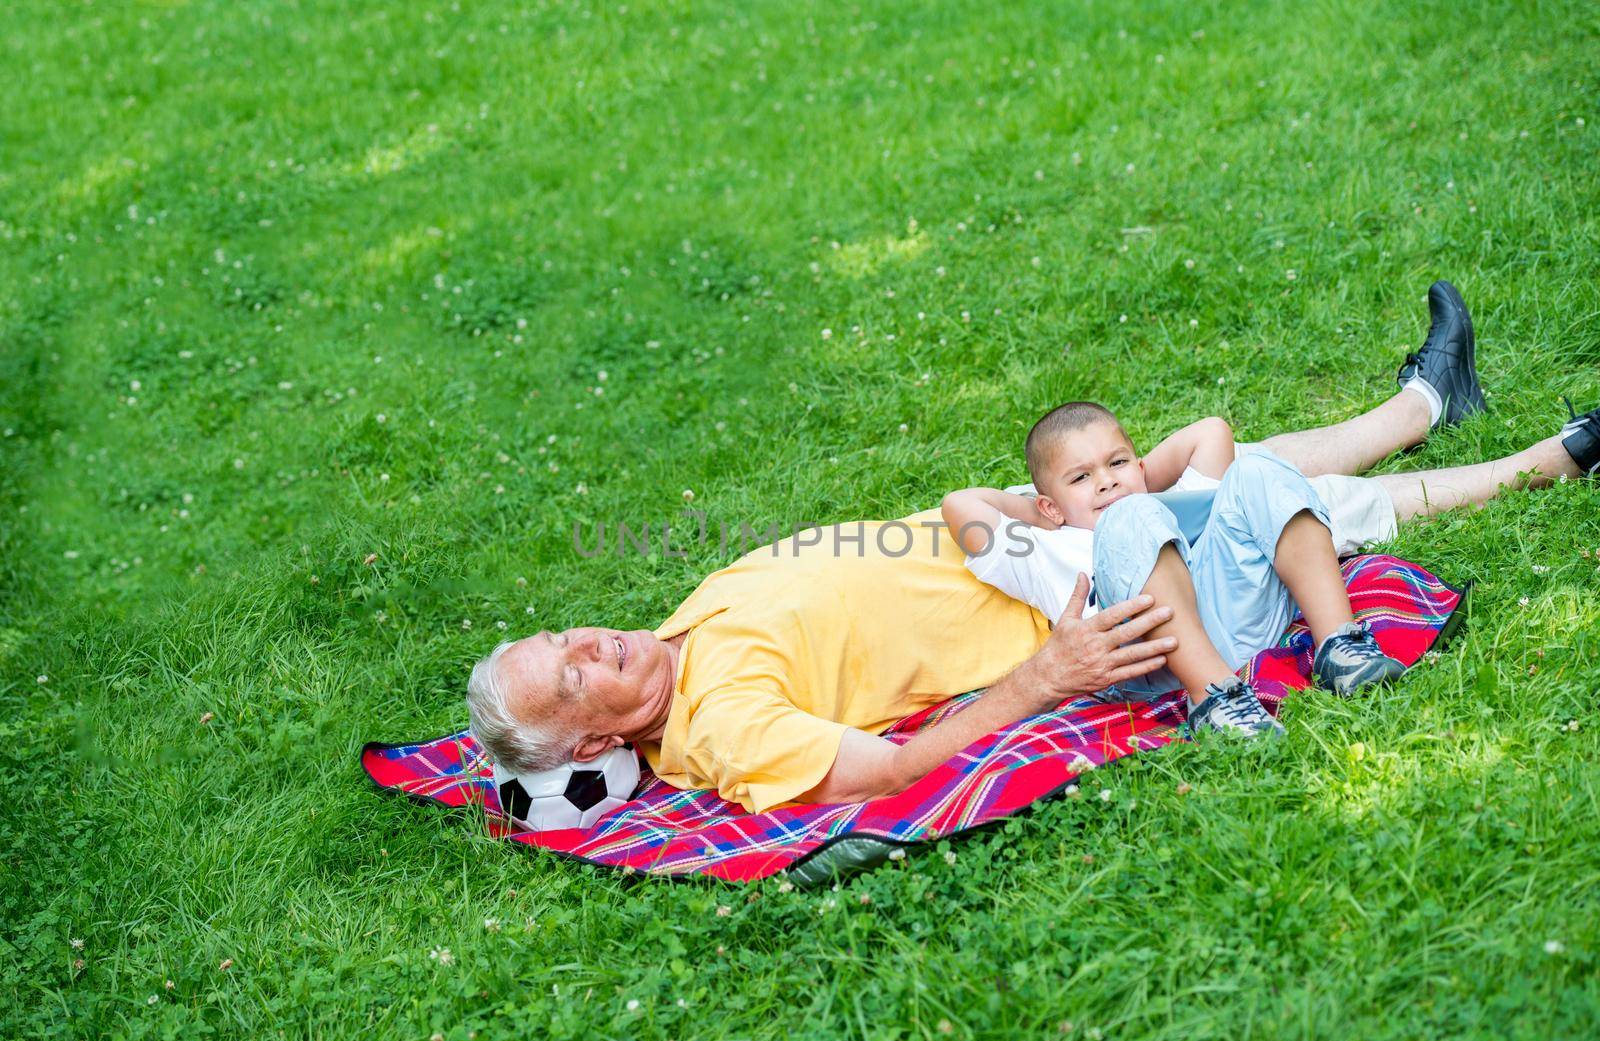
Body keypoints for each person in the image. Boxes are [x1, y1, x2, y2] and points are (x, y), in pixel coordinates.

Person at [466, 282, 1599, 813]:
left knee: (1208, 461)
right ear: (601, 732)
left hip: (1001, 530)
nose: (593, 641)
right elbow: (884, 772)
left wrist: (1033, 499)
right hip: (1053, 592)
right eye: (578, 674)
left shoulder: (667, 640)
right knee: (1276, 506)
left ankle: (1414, 407)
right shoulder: (718, 728)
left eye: (565, 636)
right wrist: (1041, 679)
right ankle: (1540, 458)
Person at [940, 402, 1408, 739]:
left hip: (1236, 615)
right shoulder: (1043, 550)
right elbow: (959, 505)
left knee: (1258, 469)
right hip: (1149, 662)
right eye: (1081, 477)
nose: (1105, 481)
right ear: (1047, 503)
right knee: (1129, 517)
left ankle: (1341, 647)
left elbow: (1211, 431)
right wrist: (1051, 512)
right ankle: (1215, 700)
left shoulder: (1159, 500)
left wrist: (1140, 485)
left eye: (1117, 463)